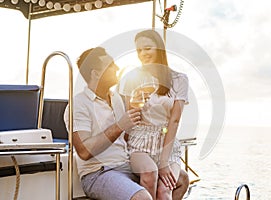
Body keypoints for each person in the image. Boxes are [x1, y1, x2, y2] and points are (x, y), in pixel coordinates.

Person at [64, 46, 189, 200]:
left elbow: (129, 135)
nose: (117, 68)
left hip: (125, 165)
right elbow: (83, 151)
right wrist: (119, 126)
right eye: (110, 65)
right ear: (96, 73)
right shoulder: (79, 104)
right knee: (143, 198)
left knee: (181, 179)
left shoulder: (116, 98)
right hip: (99, 172)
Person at [119, 29, 189, 200]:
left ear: (159, 49)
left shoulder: (179, 79)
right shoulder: (131, 78)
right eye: (139, 50)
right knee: (150, 174)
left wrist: (164, 161)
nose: (143, 53)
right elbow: (129, 118)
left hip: (167, 145)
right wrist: (134, 105)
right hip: (140, 142)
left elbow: (174, 121)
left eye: (147, 48)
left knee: (165, 190)